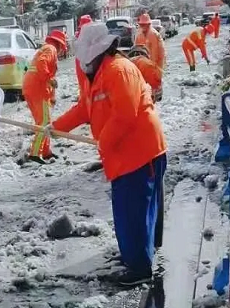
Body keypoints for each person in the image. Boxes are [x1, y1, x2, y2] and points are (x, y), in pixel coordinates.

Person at [49, 22, 167, 283]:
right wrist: (56, 127)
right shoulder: (98, 75)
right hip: (124, 154)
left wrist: (104, 141)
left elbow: (125, 115)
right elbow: (84, 109)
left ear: (96, 51)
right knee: (128, 210)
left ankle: (139, 269)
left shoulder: (119, 70)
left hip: (139, 151)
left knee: (134, 212)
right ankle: (134, 256)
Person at [22, 29, 68, 163]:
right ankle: (35, 153)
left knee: (44, 121)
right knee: (43, 122)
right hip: (38, 88)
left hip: (31, 87)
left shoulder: (45, 48)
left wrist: (52, 97)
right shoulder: (51, 49)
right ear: (59, 44)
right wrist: (50, 79)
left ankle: (45, 151)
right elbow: (42, 64)